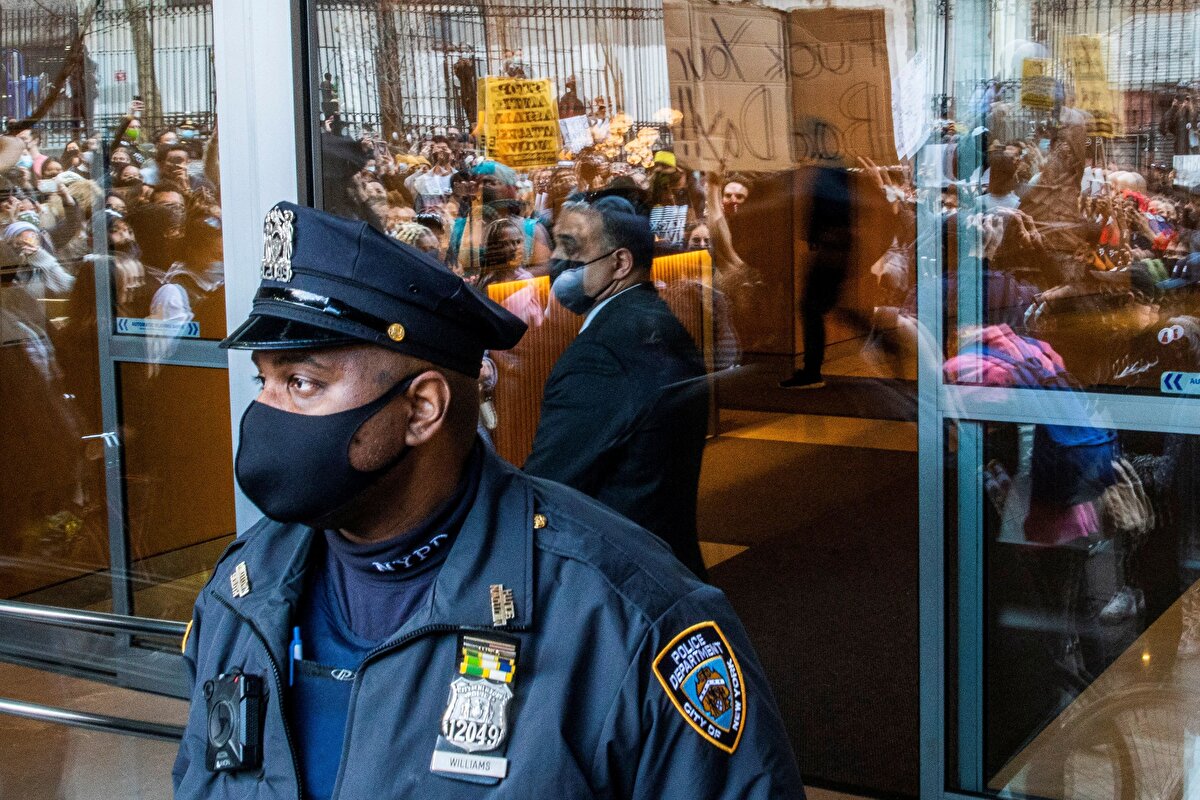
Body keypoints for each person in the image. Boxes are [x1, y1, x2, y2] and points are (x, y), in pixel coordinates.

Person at [172, 201, 804, 800]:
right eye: (265, 380)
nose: (264, 412)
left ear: (422, 408)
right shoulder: (243, 592)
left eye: (303, 383)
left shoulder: (628, 619)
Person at [524, 197, 711, 579]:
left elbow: (549, 486)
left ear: (620, 264)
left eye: (572, 249)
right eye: (556, 244)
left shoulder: (602, 355)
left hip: (617, 578)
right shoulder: (652, 319)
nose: (557, 259)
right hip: (662, 560)